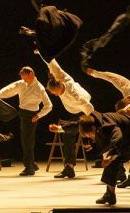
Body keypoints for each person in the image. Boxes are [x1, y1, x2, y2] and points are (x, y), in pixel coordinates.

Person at [40, 51, 93, 179]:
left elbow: (89, 109)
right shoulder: (60, 77)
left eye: (55, 93)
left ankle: (87, 140)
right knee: (67, 135)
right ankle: (69, 167)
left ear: (59, 87)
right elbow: (51, 62)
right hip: (74, 110)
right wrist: (41, 52)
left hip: (84, 109)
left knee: (75, 129)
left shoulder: (75, 95)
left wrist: (88, 126)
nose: (54, 95)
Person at [0, 66, 52, 176]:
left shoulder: (39, 88)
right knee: (25, 141)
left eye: (25, 77)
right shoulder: (22, 84)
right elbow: (9, 89)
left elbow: (49, 105)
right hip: (23, 114)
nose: (23, 80)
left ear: (31, 74)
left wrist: (38, 116)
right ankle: (32, 164)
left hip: (31, 116)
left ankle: (29, 167)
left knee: (27, 142)